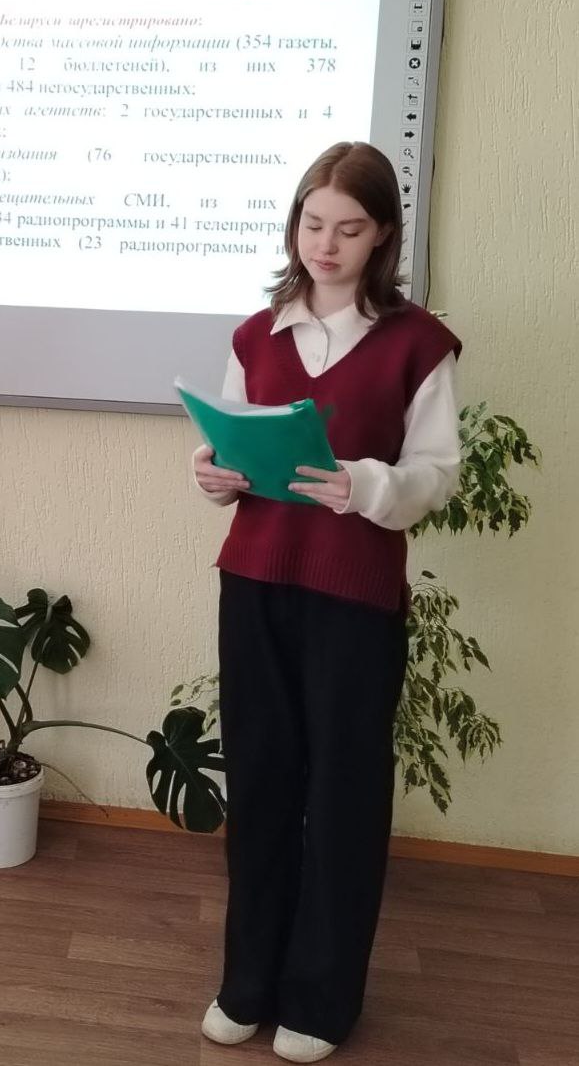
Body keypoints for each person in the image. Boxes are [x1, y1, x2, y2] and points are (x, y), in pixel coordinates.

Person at [194, 142, 460, 1063]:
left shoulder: (417, 343)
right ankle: (247, 981)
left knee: (343, 791)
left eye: (348, 228)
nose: (325, 244)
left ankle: (321, 998)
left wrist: (365, 485)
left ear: (381, 234)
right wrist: (214, 476)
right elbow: (230, 446)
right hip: (254, 582)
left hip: (354, 594)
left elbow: (436, 474)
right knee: (260, 780)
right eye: (312, 224)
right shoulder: (254, 336)